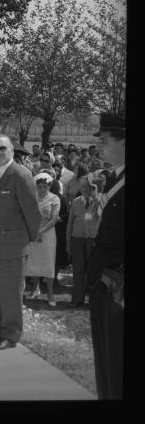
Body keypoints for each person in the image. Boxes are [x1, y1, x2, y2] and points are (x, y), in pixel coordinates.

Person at [0, 134, 41, 350]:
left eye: (2, 148)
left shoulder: (21, 175)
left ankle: (11, 335)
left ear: (12, 149)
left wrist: (26, 240)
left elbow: (33, 213)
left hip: (13, 245)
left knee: (11, 293)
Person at [86, 114, 125, 399]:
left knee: (118, 358)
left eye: (105, 140)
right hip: (103, 279)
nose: (98, 145)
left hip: (117, 283)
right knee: (107, 357)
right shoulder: (114, 177)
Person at [25, 172, 61, 306]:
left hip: (48, 234)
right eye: (39, 187)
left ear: (49, 186)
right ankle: (35, 288)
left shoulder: (55, 199)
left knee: (48, 263)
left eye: (44, 186)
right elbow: (29, 216)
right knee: (33, 262)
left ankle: (50, 294)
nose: (42, 189)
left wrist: (41, 232)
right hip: (33, 233)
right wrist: (35, 232)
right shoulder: (32, 198)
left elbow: (54, 219)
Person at [66, 176, 100, 307]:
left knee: (93, 270)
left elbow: (101, 214)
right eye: (83, 187)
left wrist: (95, 196)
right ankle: (78, 298)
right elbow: (70, 223)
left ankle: (93, 300)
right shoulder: (75, 201)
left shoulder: (99, 200)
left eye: (88, 187)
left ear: (92, 187)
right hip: (77, 239)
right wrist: (68, 242)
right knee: (78, 270)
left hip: (93, 240)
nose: (85, 189)